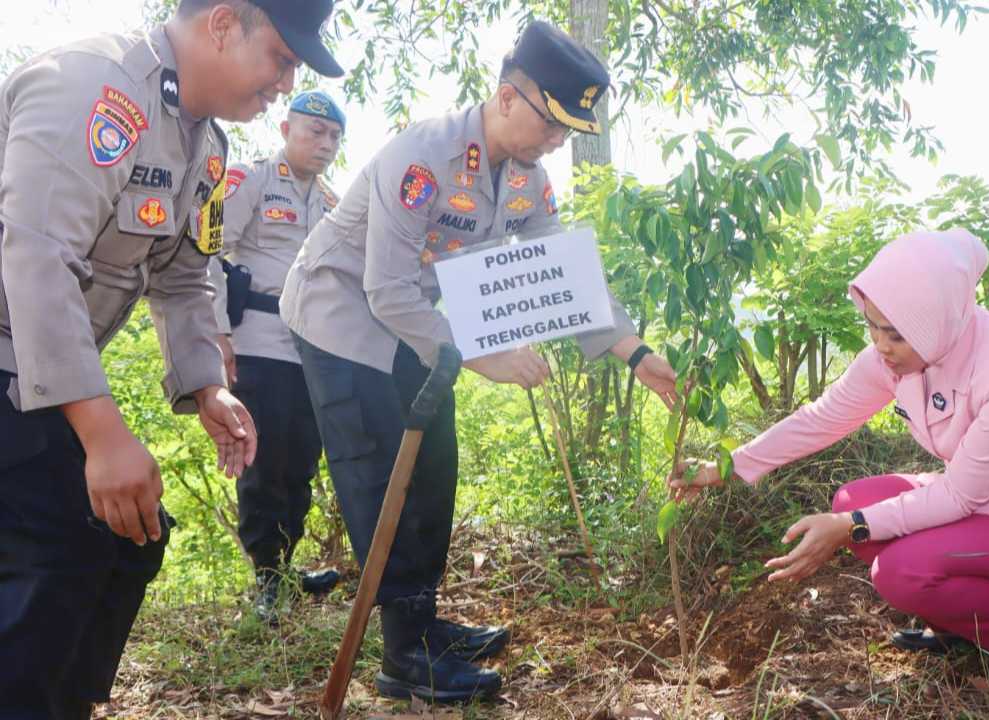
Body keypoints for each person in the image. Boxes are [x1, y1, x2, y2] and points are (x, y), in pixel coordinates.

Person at [280, 20, 679, 702]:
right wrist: (481, 355)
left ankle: (423, 624)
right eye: (552, 123)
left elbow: (564, 275)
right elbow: (383, 289)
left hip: (418, 326)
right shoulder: (423, 157)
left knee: (435, 466)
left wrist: (633, 350)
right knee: (381, 477)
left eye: (567, 130)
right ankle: (404, 657)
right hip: (343, 317)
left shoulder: (526, 179)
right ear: (505, 98)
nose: (558, 140)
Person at [0, 1, 341, 717]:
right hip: (19, 358)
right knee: (60, 547)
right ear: (224, 23)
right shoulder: (94, 89)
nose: (284, 83)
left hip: (34, 369)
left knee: (128, 541)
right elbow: (35, 260)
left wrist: (208, 387)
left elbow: (185, 275)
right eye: (281, 57)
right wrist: (102, 435)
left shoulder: (204, 146)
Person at [671, 229, 989, 693]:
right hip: (983, 504)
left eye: (895, 334)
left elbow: (959, 495)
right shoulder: (897, 358)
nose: (880, 345)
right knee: (853, 499)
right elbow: (821, 419)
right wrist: (726, 467)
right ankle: (960, 623)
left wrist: (851, 527)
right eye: (872, 327)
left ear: (936, 321)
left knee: (899, 570)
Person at [209, 90, 346, 622]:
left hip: (311, 349)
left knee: (299, 460)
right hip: (259, 344)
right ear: (287, 128)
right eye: (316, 131)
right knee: (262, 462)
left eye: (334, 136)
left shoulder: (331, 202)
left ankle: (285, 566)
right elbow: (210, 254)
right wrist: (217, 332)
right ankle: (266, 576)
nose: (326, 143)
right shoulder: (251, 180)